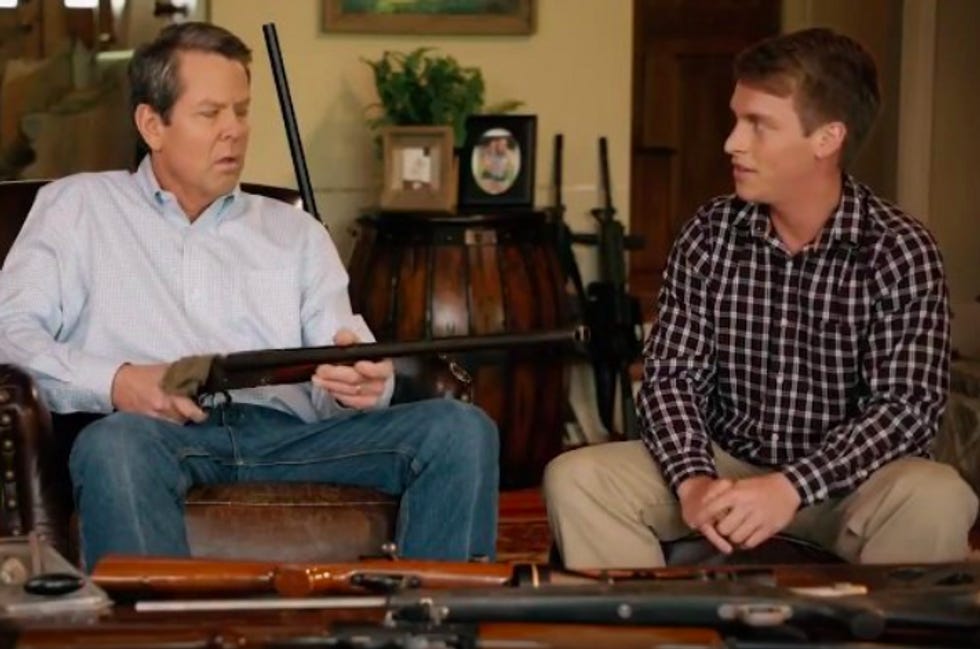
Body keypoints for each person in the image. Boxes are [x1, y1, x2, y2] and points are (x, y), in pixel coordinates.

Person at [0, 22, 499, 571]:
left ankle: (431, 616)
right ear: (152, 125)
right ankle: (156, 620)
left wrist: (362, 384)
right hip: (157, 436)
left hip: (291, 439)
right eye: (210, 113)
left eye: (241, 111)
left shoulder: (295, 231)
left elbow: (340, 354)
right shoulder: (76, 208)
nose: (234, 131)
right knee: (113, 445)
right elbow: (10, 335)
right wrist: (117, 381)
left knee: (460, 430)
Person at [544, 27, 978, 569]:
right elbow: (672, 377)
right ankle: (651, 617)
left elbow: (906, 409)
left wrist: (792, 486)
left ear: (827, 139)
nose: (732, 142)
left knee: (938, 495)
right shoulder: (710, 232)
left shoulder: (899, 249)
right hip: (726, 466)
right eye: (736, 120)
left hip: (850, 483)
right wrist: (693, 479)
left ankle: (869, 621)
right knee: (576, 477)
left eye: (759, 125)